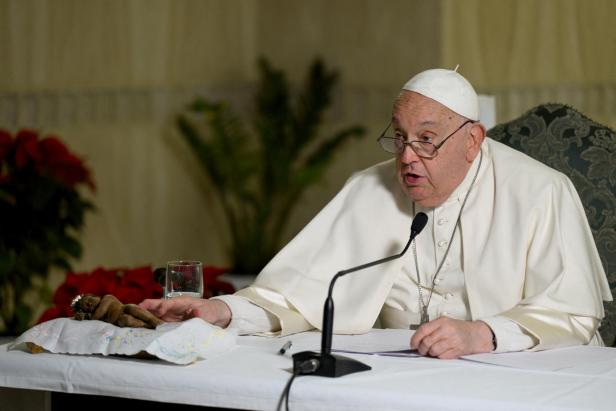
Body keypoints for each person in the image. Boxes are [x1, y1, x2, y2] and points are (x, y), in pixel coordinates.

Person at [140, 68, 612, 359]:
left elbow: (570, 313)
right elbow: (300, 295)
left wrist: (483, 334)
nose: (407, 157)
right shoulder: (369, 187)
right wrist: (221, 309)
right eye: (401, 137)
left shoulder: (540, 191)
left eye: (427, 140)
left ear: (473, 141)